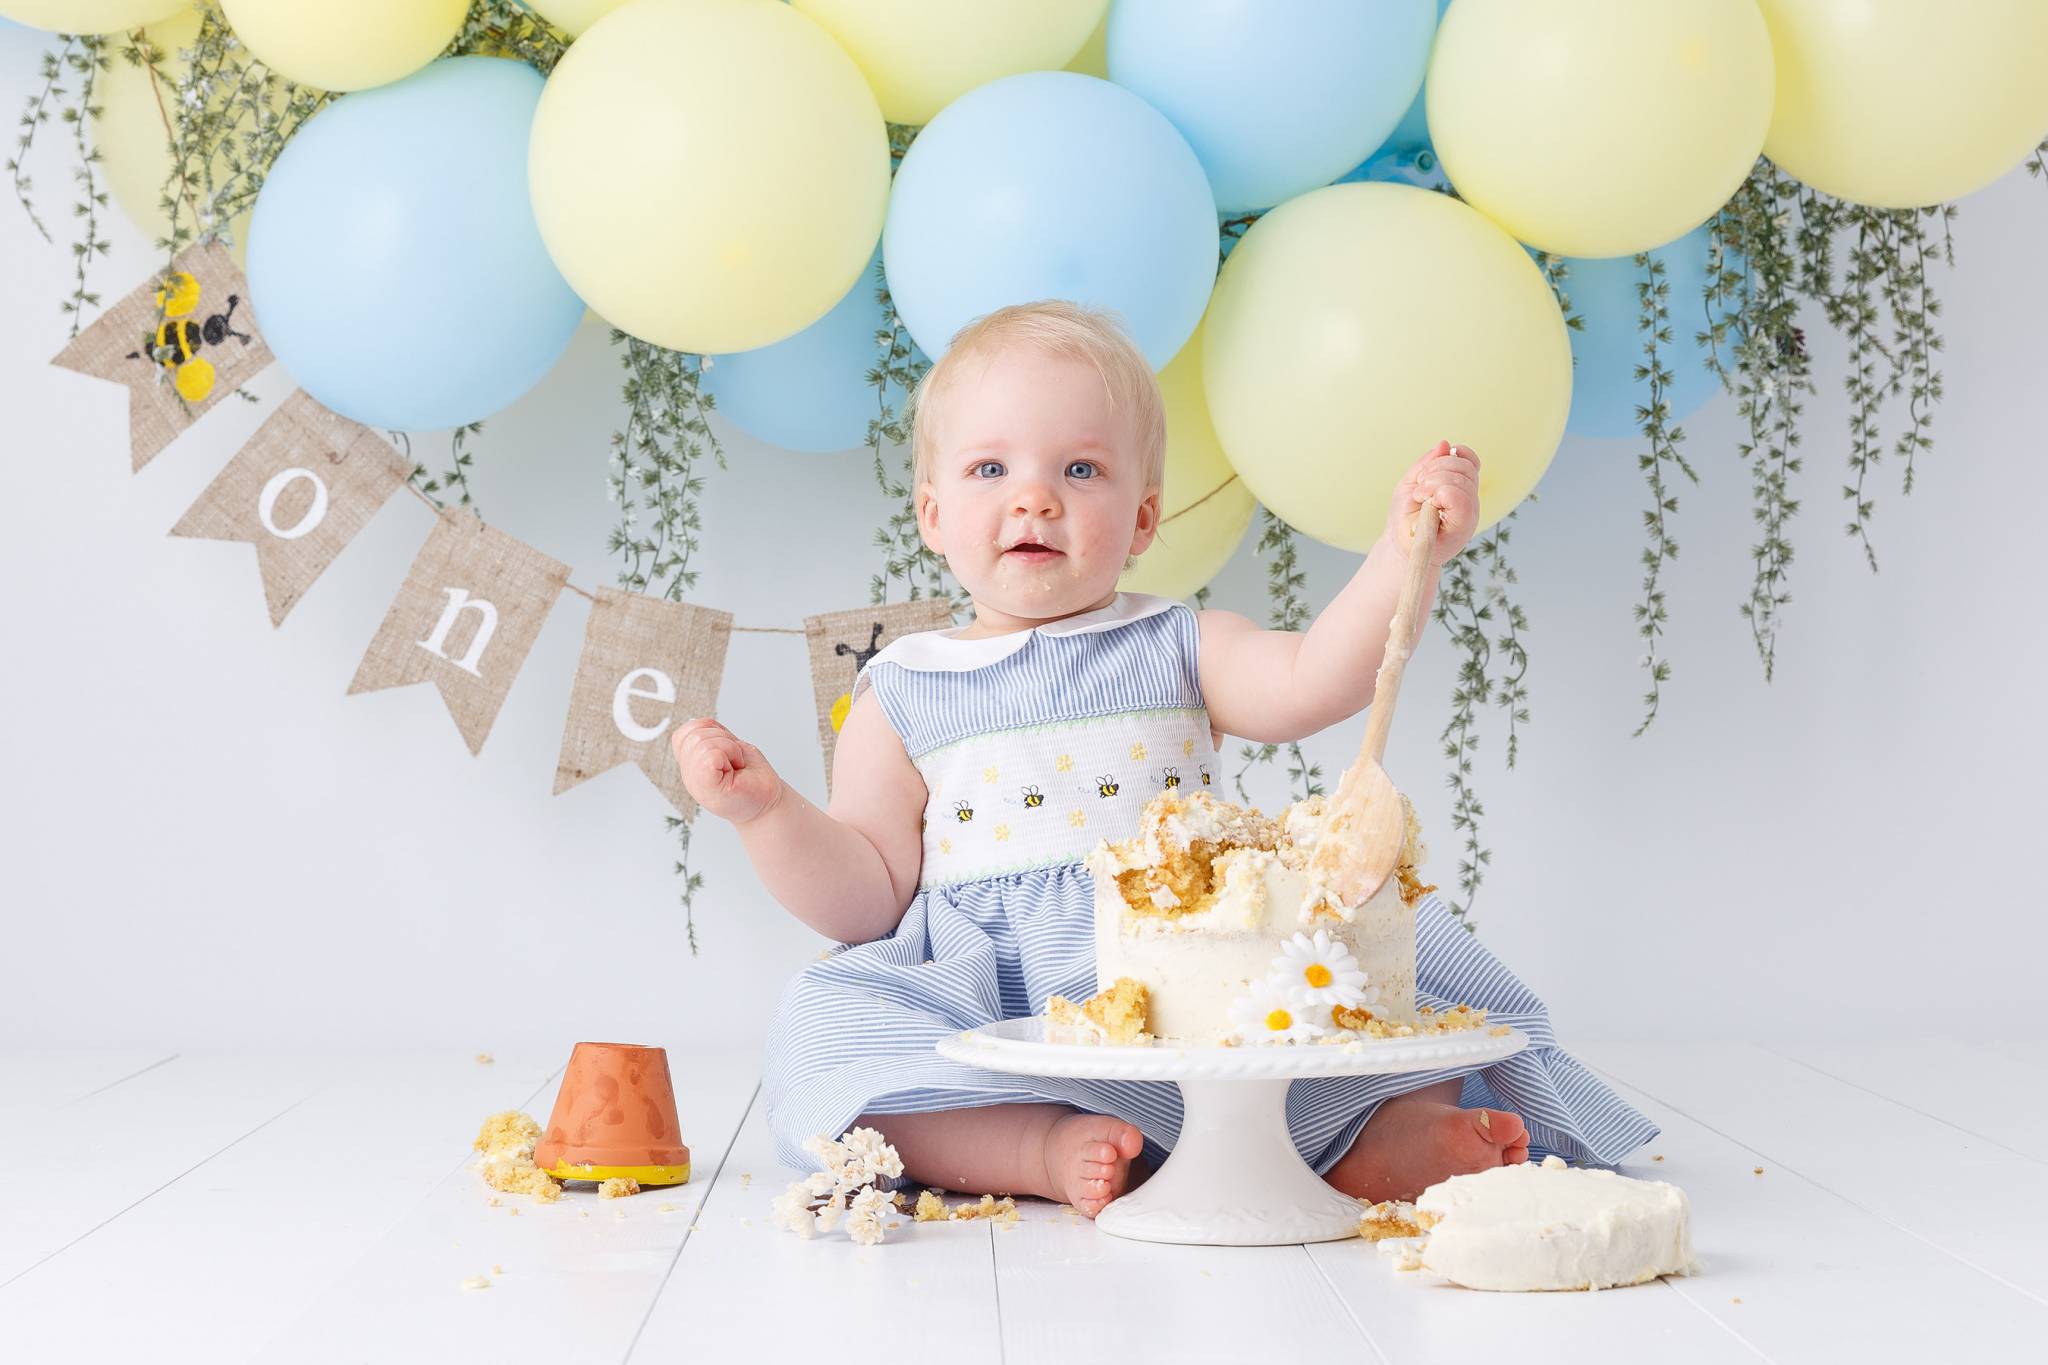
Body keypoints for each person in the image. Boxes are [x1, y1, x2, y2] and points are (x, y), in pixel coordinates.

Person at [674, 300, 1655, 1216]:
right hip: (999, 999)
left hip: (1196, 977)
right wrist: (766, 814)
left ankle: (1372, 1137)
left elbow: (1316, 678)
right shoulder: (901, 690)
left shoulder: (1177, 645)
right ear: (930, 515)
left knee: (1404, 988)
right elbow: (868, 896)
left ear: (1143, 519)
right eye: (988, 471)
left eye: (1079, 471)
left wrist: (1405, 557)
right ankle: (1033, 1150)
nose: (1034, 501)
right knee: (826, 1029)